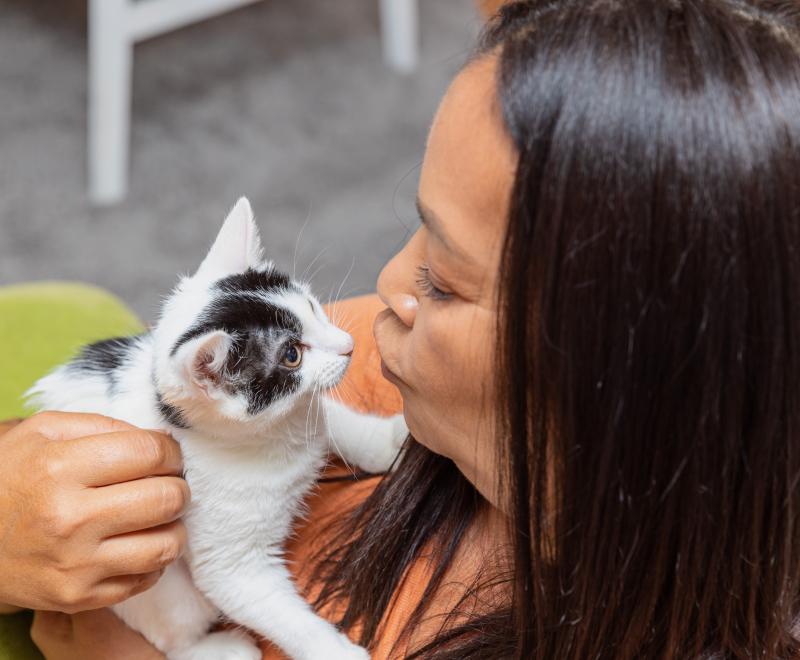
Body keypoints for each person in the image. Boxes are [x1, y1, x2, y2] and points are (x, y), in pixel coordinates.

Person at [4, 0, 800, 657]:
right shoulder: (391, 372)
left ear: (618, 376)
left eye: (443, 280)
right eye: (417, 230)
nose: (390, 280)